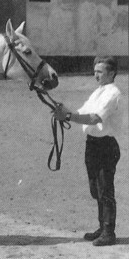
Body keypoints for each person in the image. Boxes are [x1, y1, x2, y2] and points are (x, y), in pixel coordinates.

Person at [53, 56, 123, 246]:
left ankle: (109, 232)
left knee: (105, 190)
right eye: (95, 71)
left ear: (111, 73)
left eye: (100, 72)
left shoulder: (113, 94)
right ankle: (102, 228)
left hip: (106, 146)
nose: (96, 75)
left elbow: (93, 118)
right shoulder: (98, 92)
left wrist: (68, 115)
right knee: (96, 189)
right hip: (92, 144)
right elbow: (81, 112)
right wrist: (63, 111)